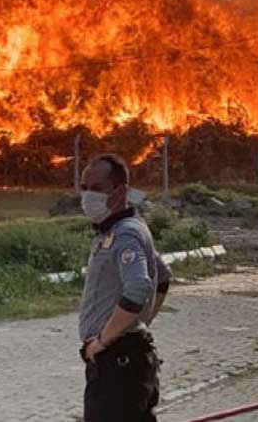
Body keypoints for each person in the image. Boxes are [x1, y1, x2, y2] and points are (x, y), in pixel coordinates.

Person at [77, 153, 171, 422]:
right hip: (129, 361)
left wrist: (103, 341)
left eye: (97, 189)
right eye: (84, 187)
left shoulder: (125, 234)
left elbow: (139, 287)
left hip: (118, 366)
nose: (87, 196)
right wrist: (141, 322)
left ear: (120, 191)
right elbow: (162, 275)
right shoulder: (120, 230)